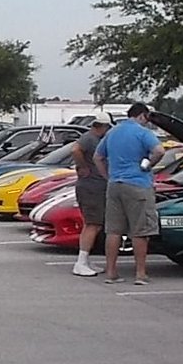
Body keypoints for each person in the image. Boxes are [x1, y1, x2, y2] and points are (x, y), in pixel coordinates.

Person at [97, 101, 162, 285]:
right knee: (140, 231)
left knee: (113, 230)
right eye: (147, 118)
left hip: (115, 184)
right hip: (138, 184)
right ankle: (140, 274)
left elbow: (98, 157)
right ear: (142, 115)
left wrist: (107, 176)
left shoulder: (112, 132)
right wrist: (148, 164)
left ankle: (111, 272)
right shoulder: (143, 132)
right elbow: (159, 151)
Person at [69, 111, 110, 277]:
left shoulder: (94, 138)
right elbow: (75, 149)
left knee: (93, 224)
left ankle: (85, 259)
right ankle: (81, 262)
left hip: (93, 186)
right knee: (93, 224)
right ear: (103, 126)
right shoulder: (89, 138)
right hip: (91, 187)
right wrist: (83, 166)